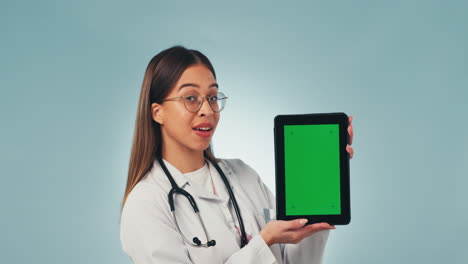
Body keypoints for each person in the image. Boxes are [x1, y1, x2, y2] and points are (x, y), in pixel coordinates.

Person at [119, 46, 355, 264]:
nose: (207, 110)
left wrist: (320, 187)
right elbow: (267, 245)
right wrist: (264, 242)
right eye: (190, 98)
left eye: (212, 97)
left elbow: (294, 260)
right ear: (157, 112)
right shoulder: (145, 204)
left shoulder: (243, 175)